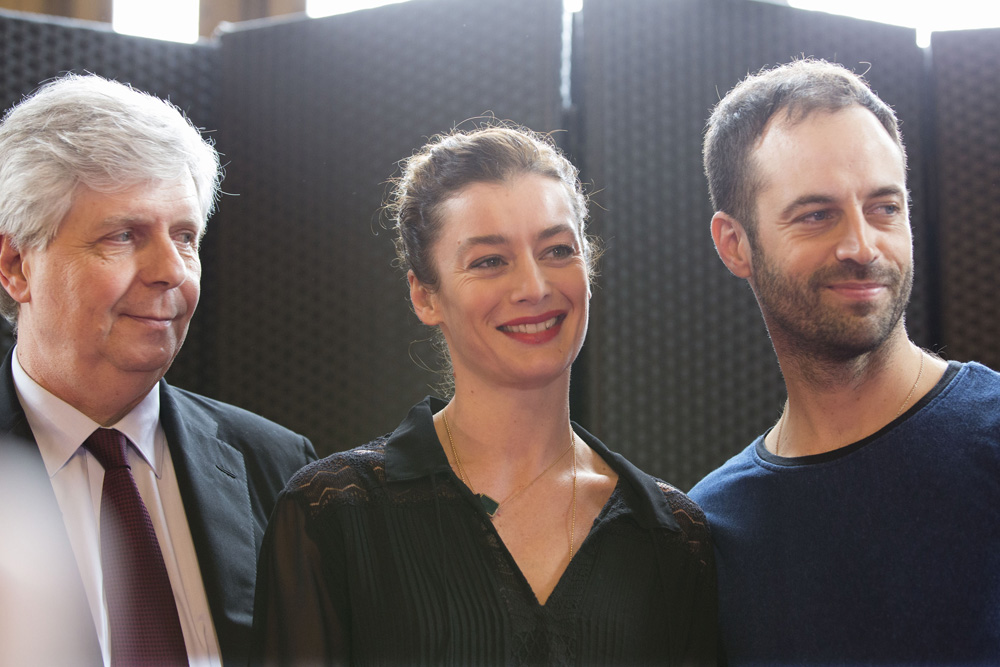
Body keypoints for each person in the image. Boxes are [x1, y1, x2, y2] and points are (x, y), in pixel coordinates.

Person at [251, 125, 717, 665]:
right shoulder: (332, 512)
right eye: (490, 261)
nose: (535, 287)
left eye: (558, 249)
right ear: (425, 296)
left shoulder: (669, 532)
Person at [689, 58, 1000, 665]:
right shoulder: (715, 529)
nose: (862, 246)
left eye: (885, 208)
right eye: (816, 215)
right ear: (735, 244)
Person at [0, 73, 316, 667]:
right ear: (16, 264)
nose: (172, 270)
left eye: (186, 237)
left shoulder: (276, 467)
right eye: (124, 236)